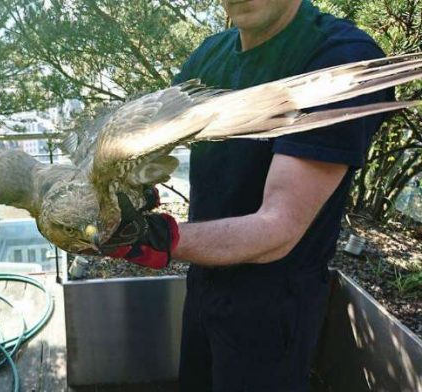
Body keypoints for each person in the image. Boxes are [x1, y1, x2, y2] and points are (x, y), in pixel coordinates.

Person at [106, 0, 394, 390]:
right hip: (204, 276)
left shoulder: (340, 60)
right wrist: (127, 184)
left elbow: (277, 227)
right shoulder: (210, 55)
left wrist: (153, 237)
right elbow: (152, 139)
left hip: (274, 304)